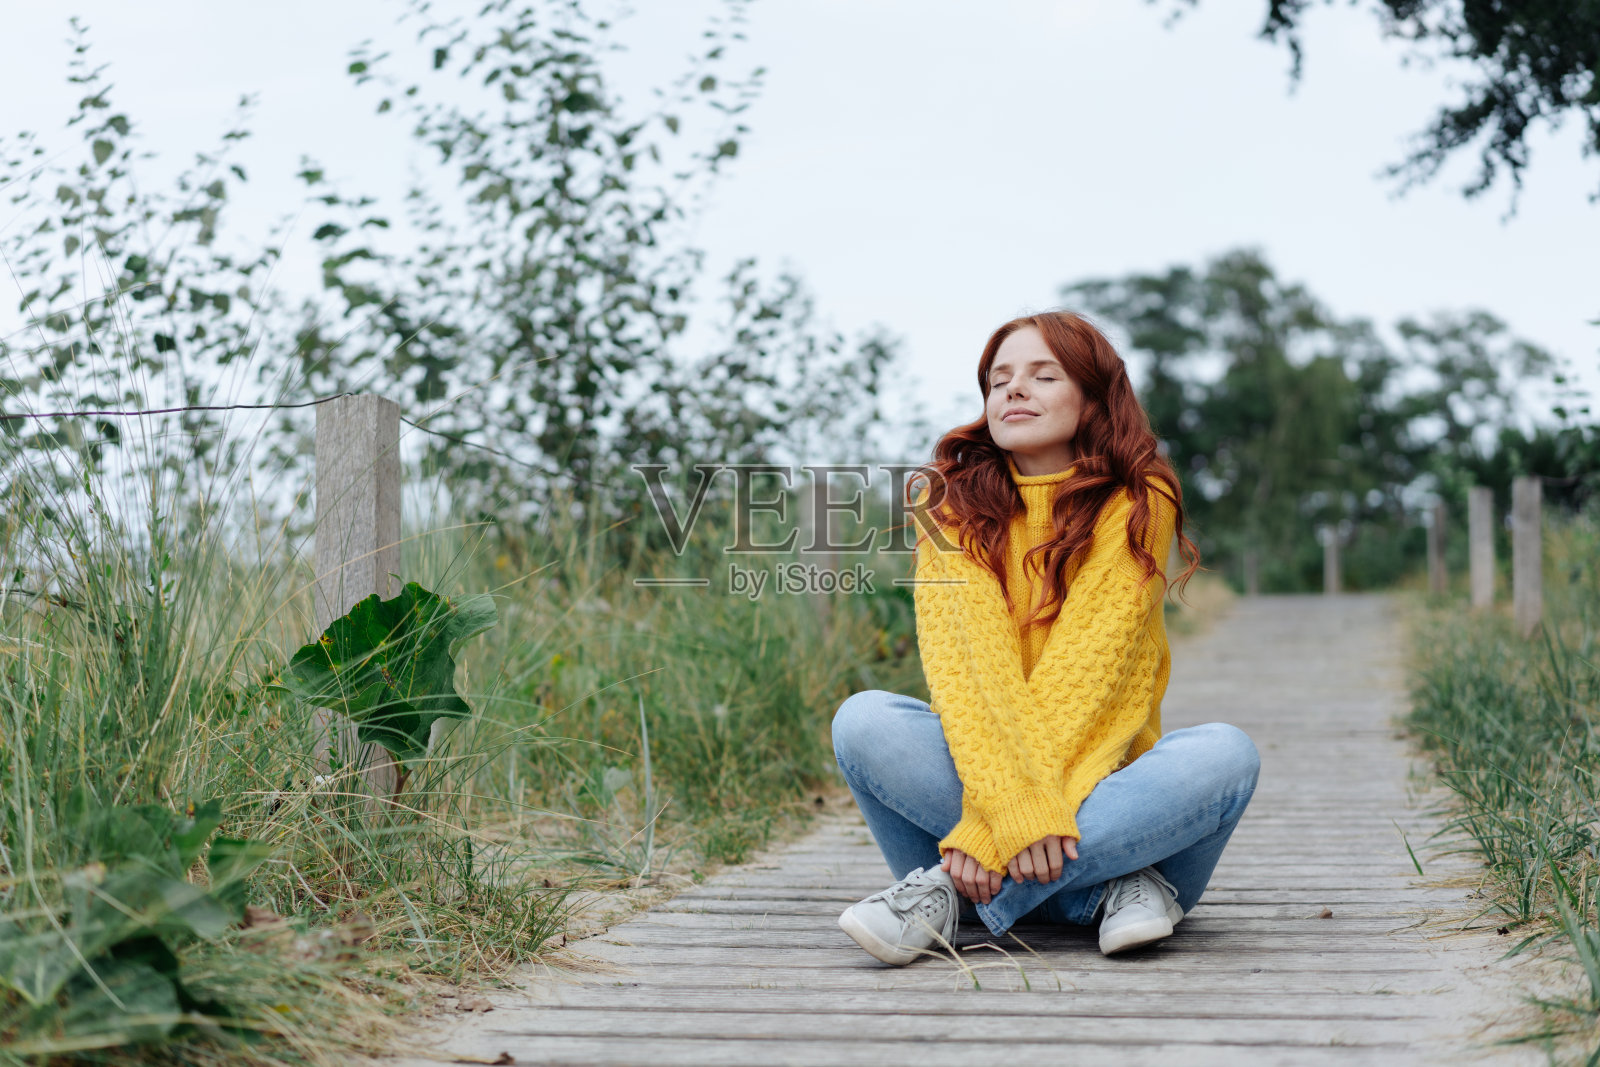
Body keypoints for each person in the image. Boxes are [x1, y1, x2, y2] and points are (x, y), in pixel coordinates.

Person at [832, 310, 1260, 966]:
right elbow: (971, 675)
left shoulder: (1137, 501)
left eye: (1043, 375)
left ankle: (947, 891)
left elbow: (1084, 681)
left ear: (1093, 398)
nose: (1014, 388)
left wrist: (988, 835)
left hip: (1091, 796)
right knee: (864, 719)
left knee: (1224, 753)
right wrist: (1012, 807)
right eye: (999, 378)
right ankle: (1112, 886)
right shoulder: (948, 507)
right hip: (998, 784)